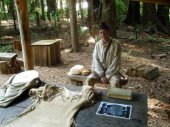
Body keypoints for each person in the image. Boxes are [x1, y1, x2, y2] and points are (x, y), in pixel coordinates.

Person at [85, 22, 122, 88]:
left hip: (112, 72)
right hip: (99, 71)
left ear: (109, 32)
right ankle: (89, 96)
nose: (103, 34)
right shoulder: (97, 44)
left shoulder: (116, 44)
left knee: (115, 82)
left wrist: (107, 75)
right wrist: (101, 75)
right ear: (99, 34)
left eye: (105, 32)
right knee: (89, 80)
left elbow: (116, 62)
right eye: (101, 32)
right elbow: (96, 60)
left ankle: (114, 98)